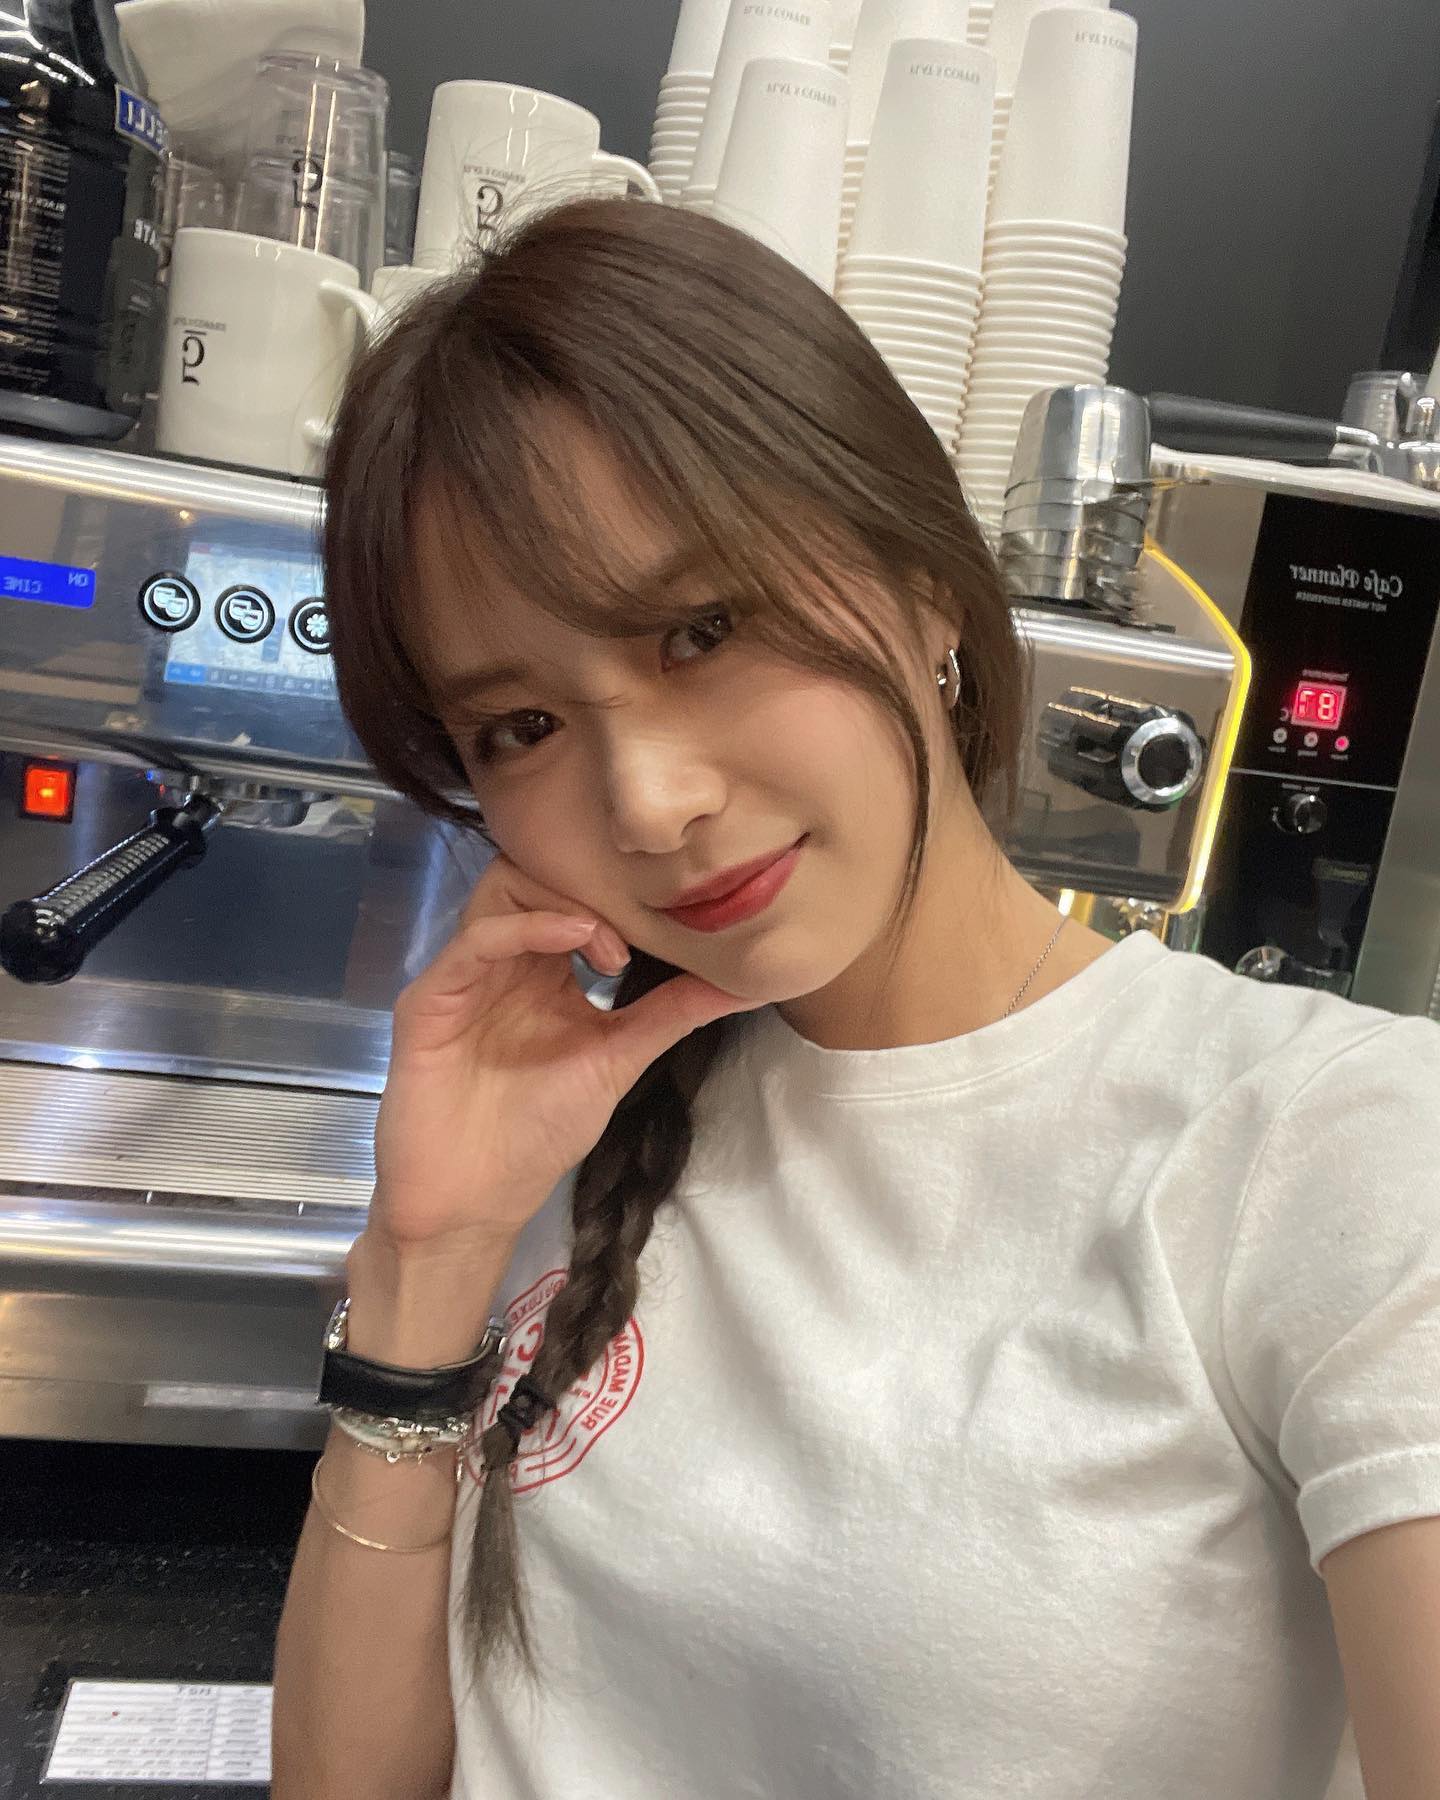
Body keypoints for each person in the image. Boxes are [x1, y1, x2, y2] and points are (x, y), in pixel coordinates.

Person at [271, 196, 1440, 1800]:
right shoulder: (572, 1115)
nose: (652, 803)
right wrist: (427, 1258)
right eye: (521, 729)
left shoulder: (1333, 1140)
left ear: (925, 580)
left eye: (702, 629)